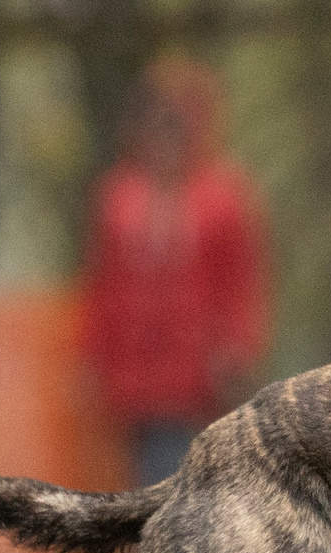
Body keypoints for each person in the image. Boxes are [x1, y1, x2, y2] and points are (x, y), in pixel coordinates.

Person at [80, 60, 271, 486]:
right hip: (132, 379)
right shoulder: (118, 197)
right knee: (142, 485)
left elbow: (242, 284)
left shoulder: (223, 198)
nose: (165, 136)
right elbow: (103, 288)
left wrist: (238, 348)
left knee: (183, 481)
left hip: (199, 381)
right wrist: (92, 357)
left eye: (175, 124)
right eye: (156, 124)